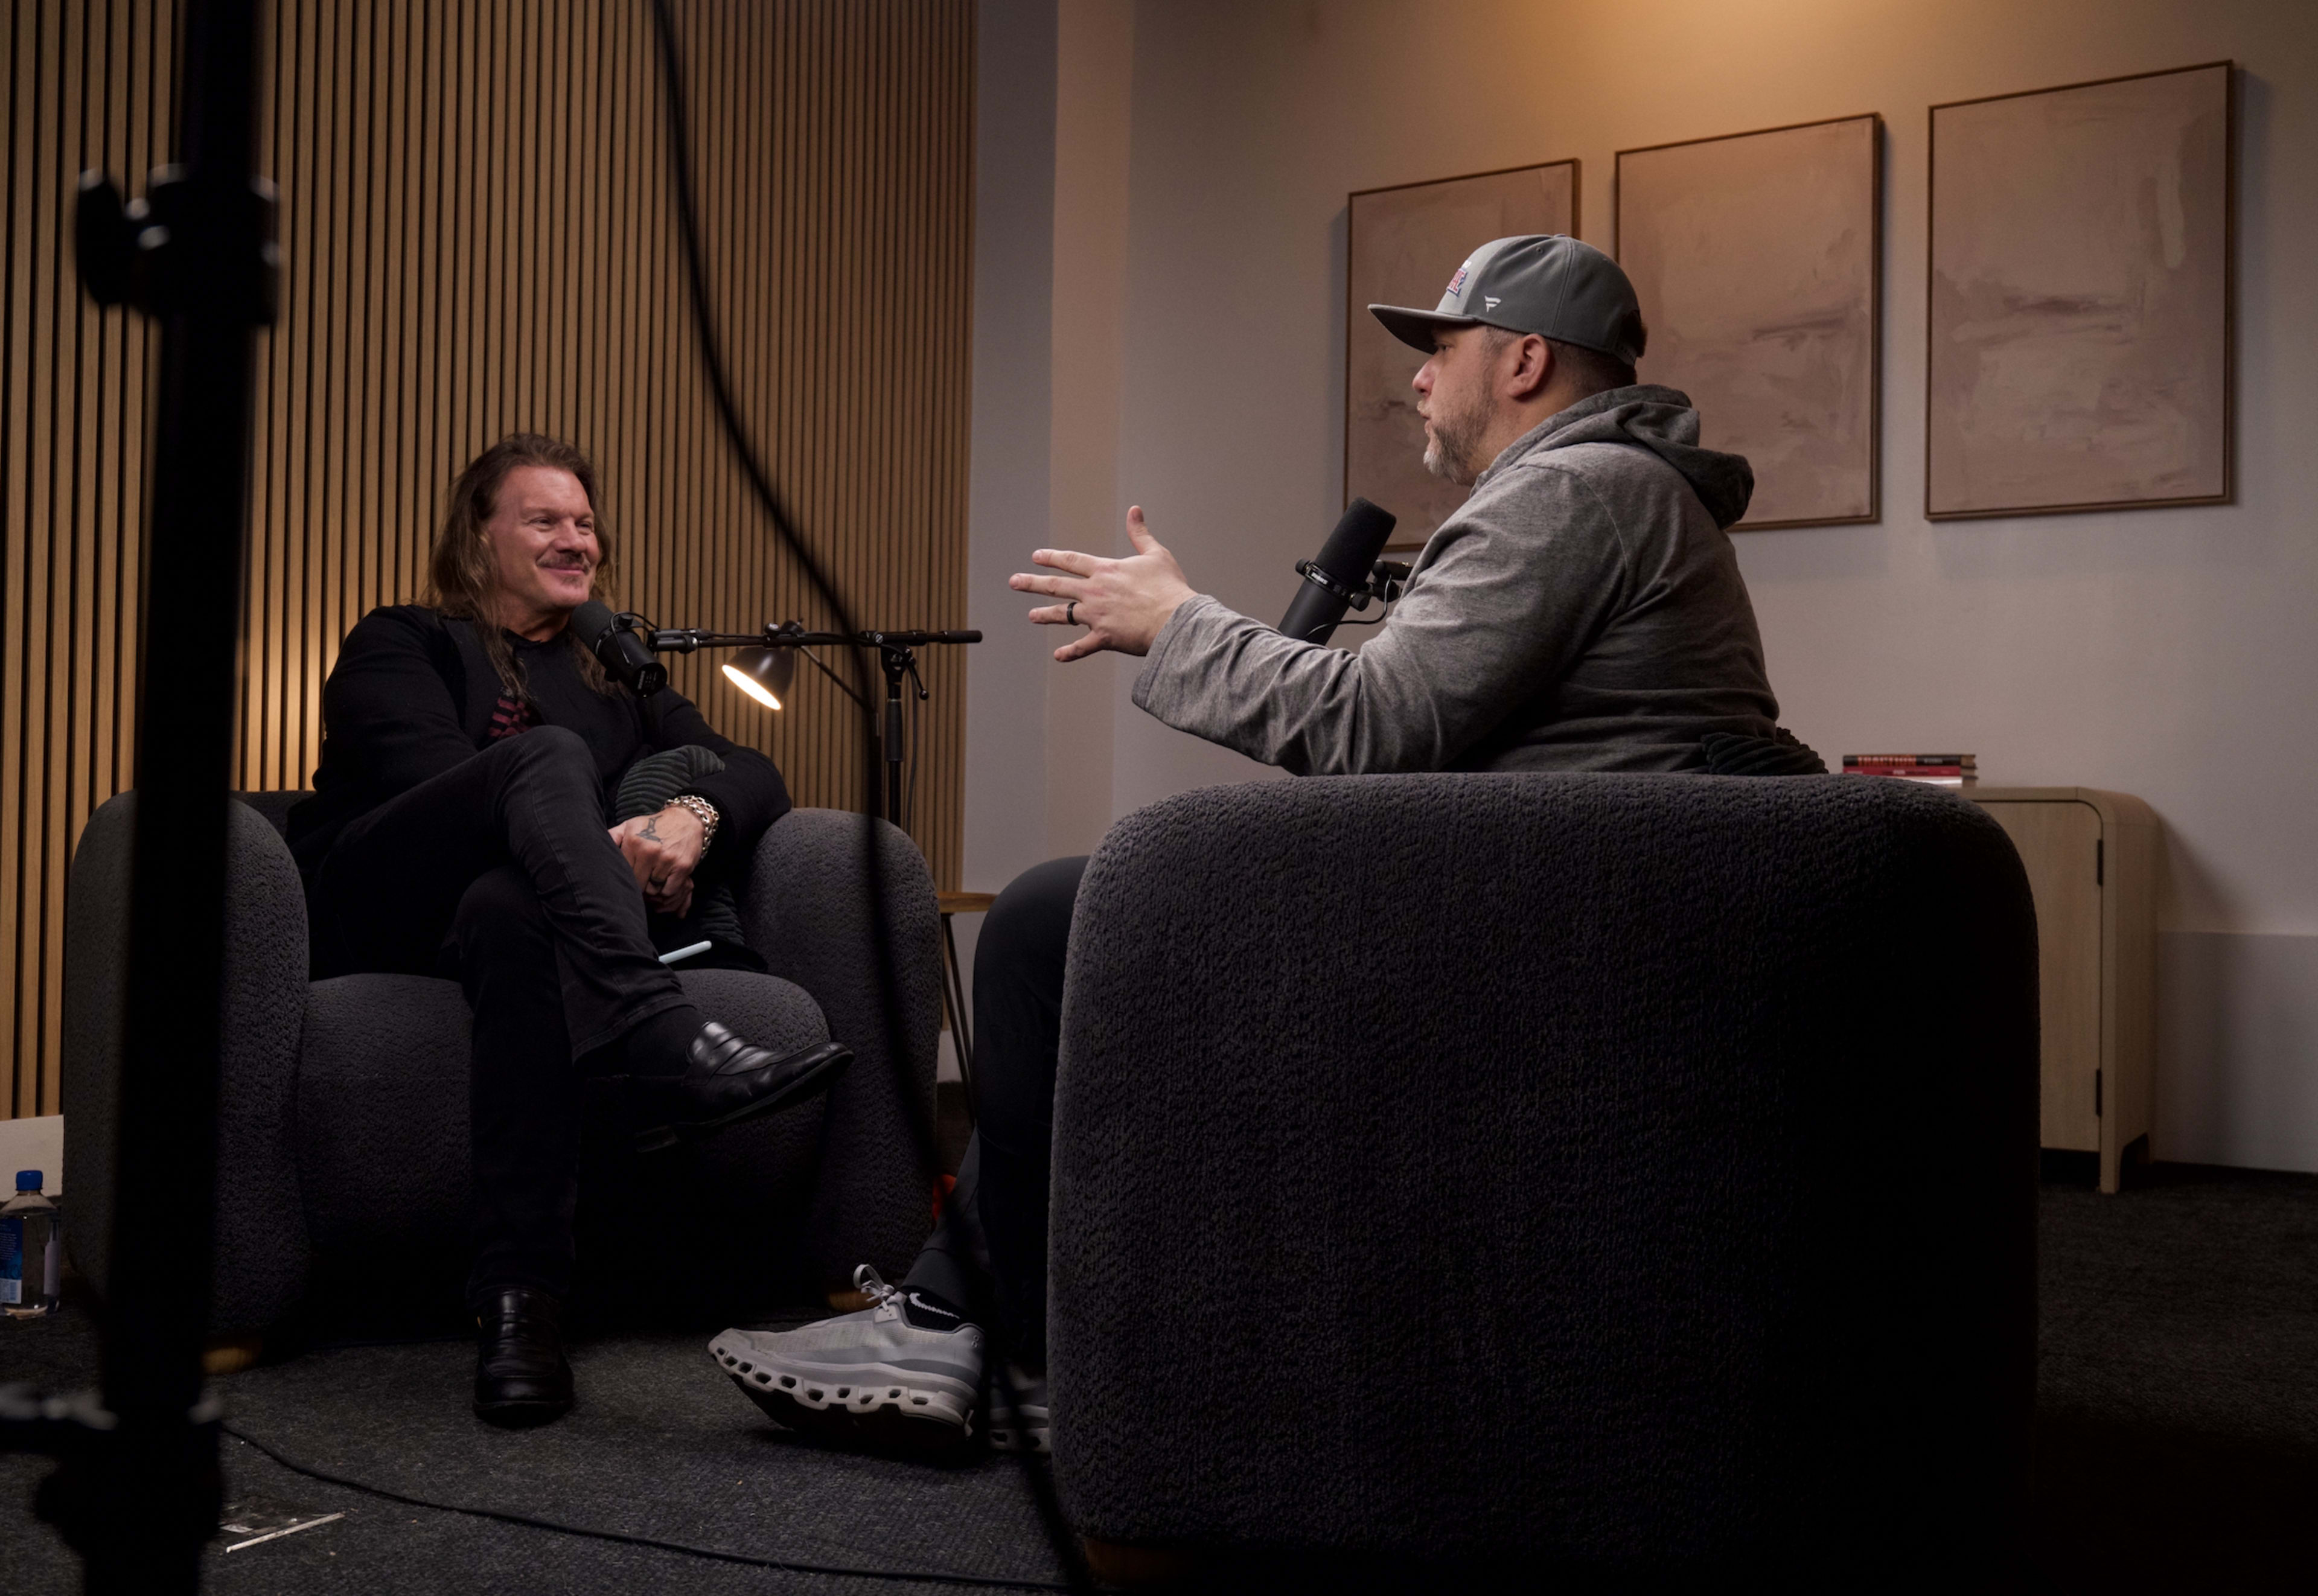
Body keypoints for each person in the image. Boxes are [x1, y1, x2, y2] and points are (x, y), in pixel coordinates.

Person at [709, 235, 1788, 1456]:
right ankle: (1013, 1324)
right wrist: (1186, 630)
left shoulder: (1576, 490)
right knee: (1091, 903)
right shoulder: (1619, 488)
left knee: (1057, 917)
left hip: (1543, 928)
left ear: (1526, 358)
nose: (1422, 380)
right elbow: (1406, 720)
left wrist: (1177, 623)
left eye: (1441, 347)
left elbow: (1377, 723)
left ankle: (970, 1323)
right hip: (1558, 897)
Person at [289, 433, 852, 1429]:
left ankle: (520, 1305)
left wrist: (695, 818)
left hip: (514, 925)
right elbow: (430, 781)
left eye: (585, 522)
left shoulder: (613, 680)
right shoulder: (406, 639)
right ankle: (659, 1029)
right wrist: (604, 844)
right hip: (382, 896)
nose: (574, 539)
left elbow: (752, 771)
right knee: (536, 765)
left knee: (511, 907)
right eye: (545, 519)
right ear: (481, 535)